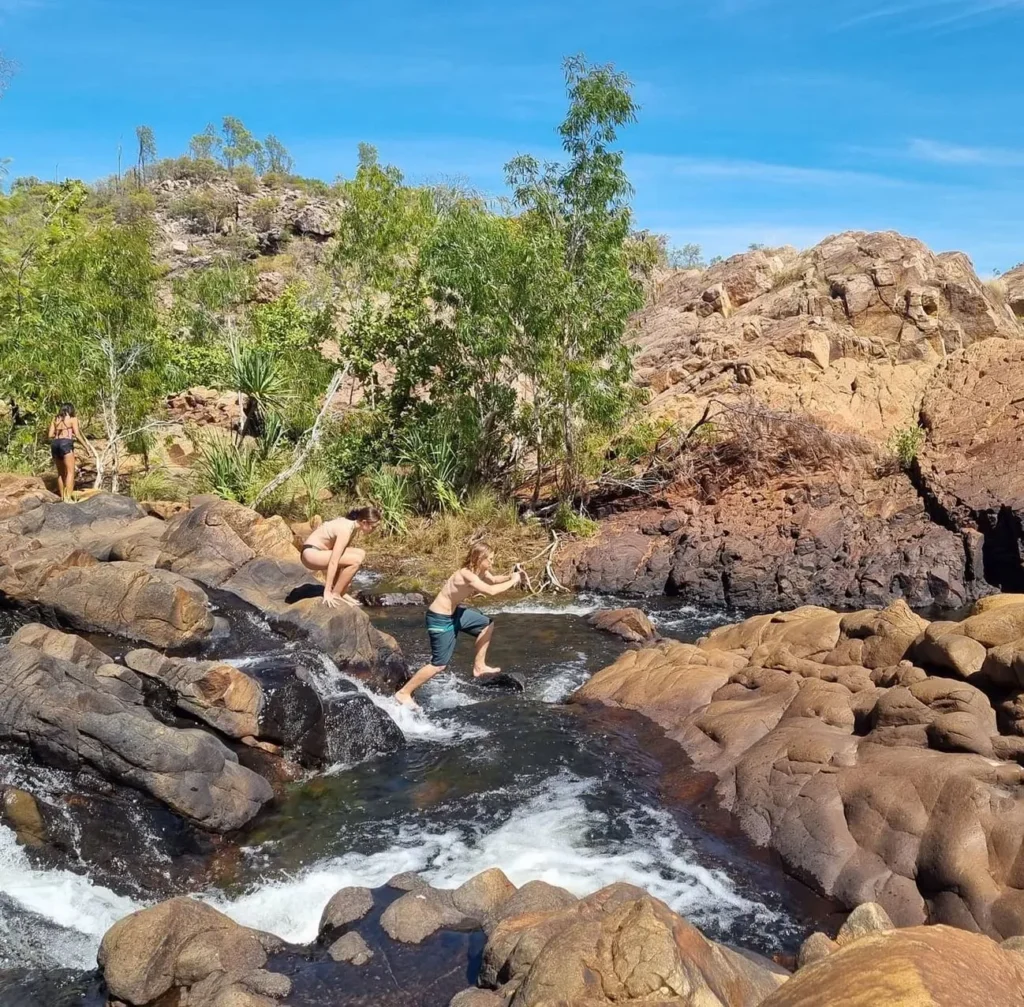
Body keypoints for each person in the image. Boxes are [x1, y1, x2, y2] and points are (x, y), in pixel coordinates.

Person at [395, 543, 522, 708]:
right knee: (439, 664)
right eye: (490, 559)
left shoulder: (480, 571)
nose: (492, 563)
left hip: (454, 614)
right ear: (479, 559)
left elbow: (494, 580)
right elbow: (491, 591)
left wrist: (514, 575)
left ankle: (479, 666)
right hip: (439, 618)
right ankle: (403, 693)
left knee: (487, 624)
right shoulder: (466, 574)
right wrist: (514, 581)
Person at [300, 506, 381, 608]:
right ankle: (336, 594)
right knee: (356, 560)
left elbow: (340, 558)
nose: (374, 530)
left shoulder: (352, 527)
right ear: (364, 522)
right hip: (311, 554)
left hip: (319, 552)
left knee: (360, 553)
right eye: (373, 527)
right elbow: (334, 561)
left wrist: (345, 581)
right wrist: (327, 591)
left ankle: (340, 592)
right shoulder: (345, 530)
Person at [48, 403, 84, 502]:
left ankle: (62, 497)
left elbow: (50, 435)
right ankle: (68, 498)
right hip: (66, 443)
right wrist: (86, 447)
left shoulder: (55, 419)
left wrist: (59, 432)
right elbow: (77, 435)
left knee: (60, 473)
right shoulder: (73, 419)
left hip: (55, 444)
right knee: (70, 472)